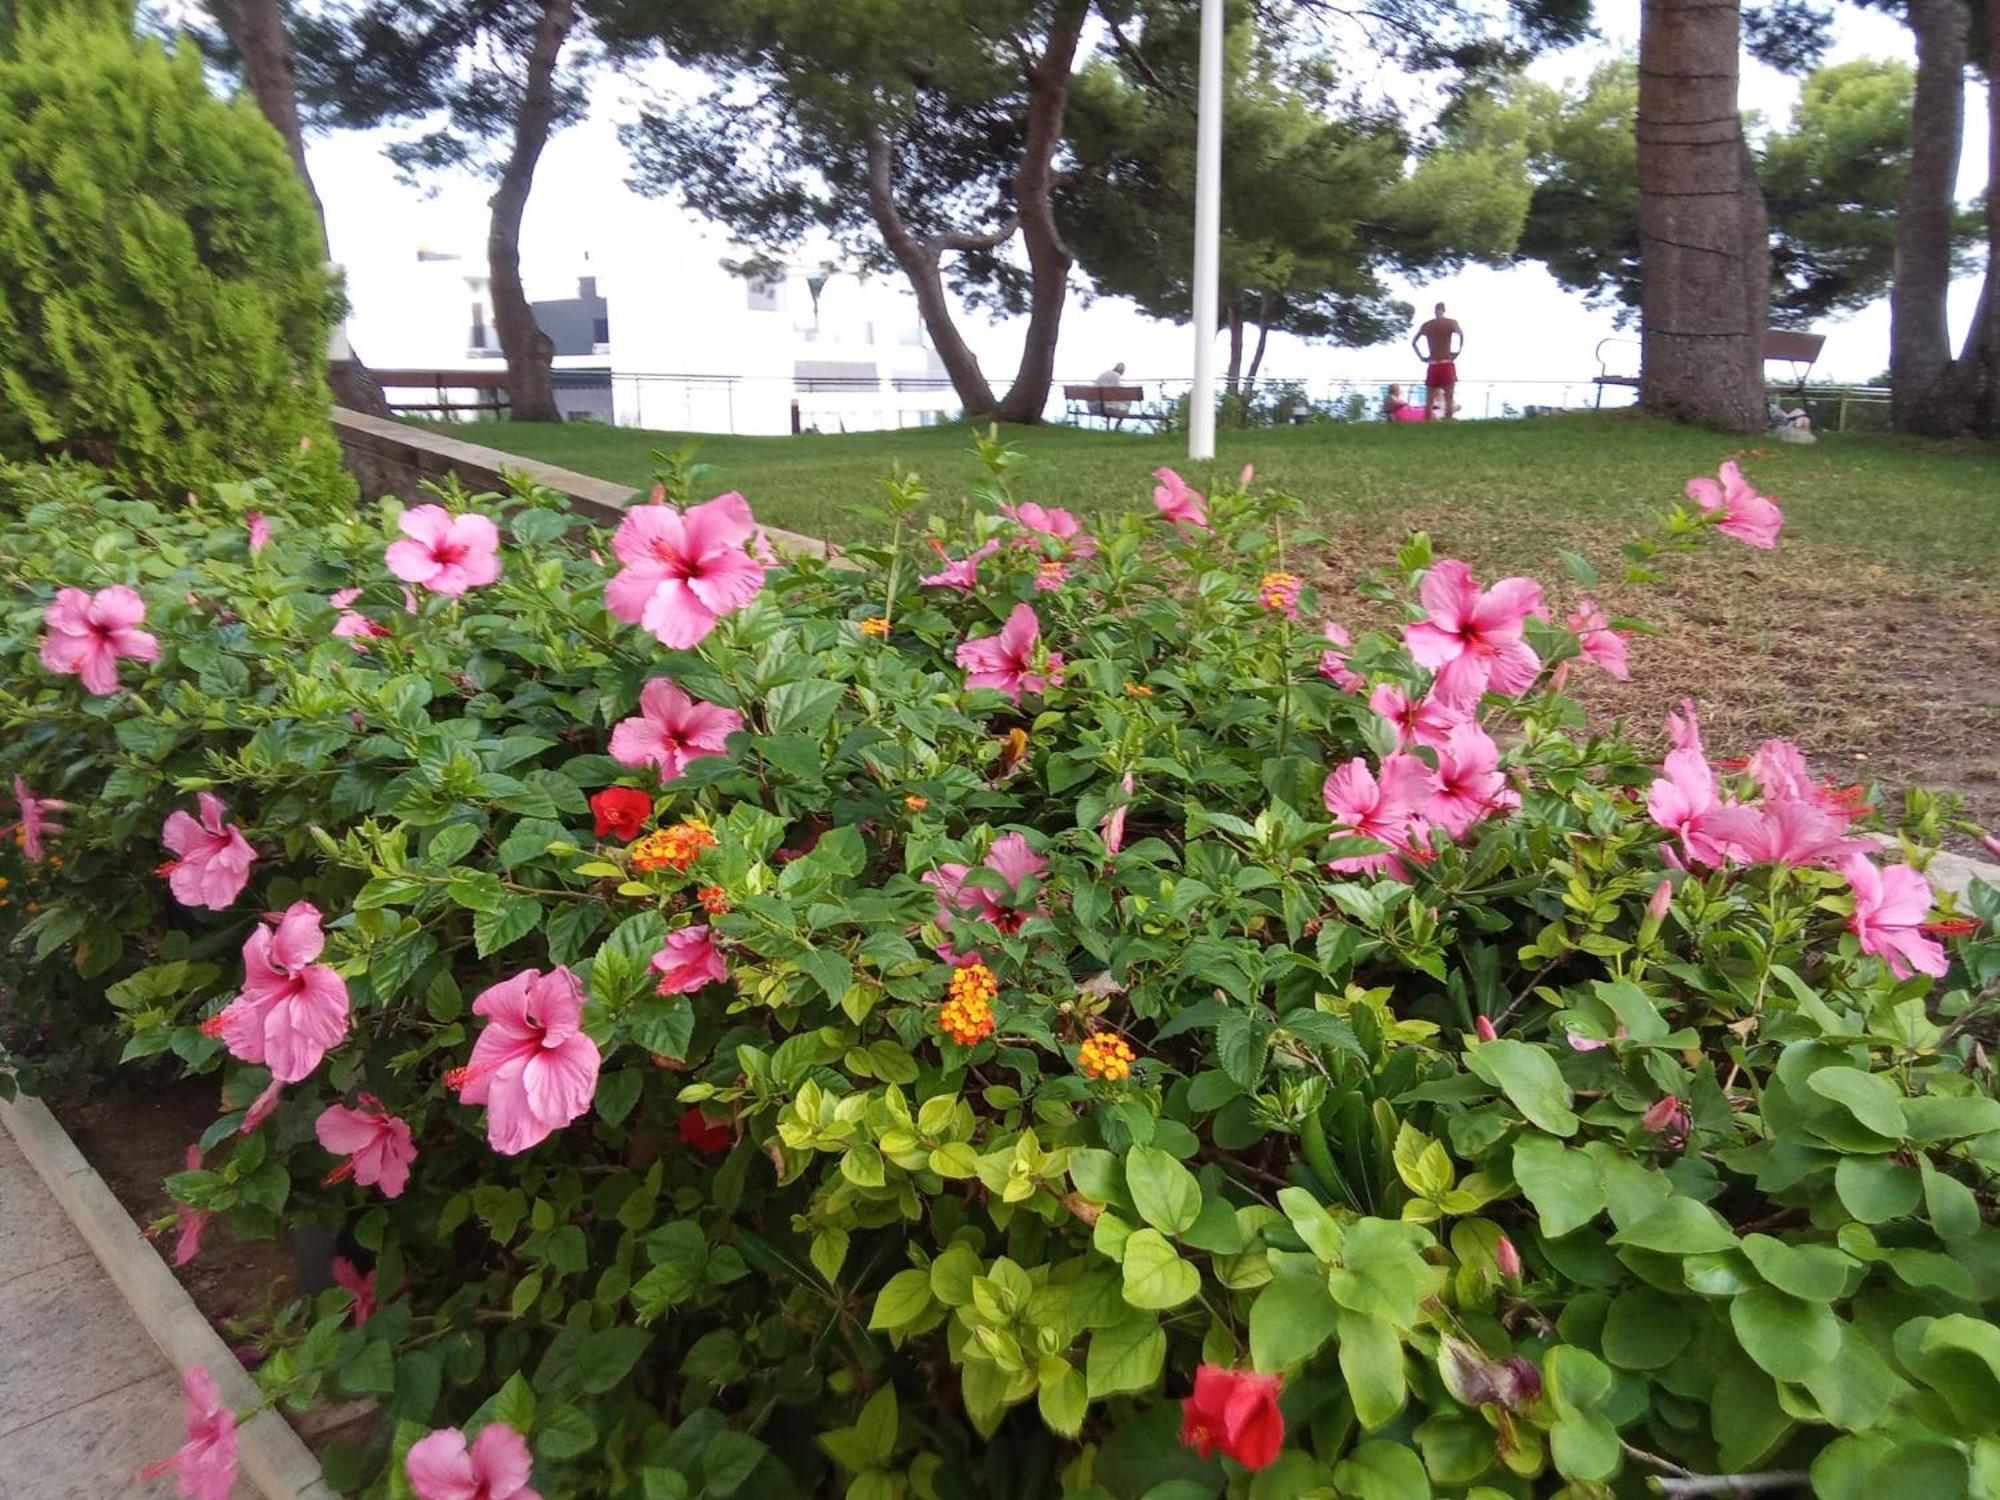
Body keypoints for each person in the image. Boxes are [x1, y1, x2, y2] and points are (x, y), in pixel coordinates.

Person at [1411, 302, 1463, 420]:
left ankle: (1427, 422)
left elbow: (1414, 342)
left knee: (1429, 400)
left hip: (1433, 364)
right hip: (1446, 363)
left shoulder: (1427, 325)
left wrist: (1422, 357)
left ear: (1435, 310)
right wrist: (1457, 352)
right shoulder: (1451, 323)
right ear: (1444, 310)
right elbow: (1461, 335)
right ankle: (1448, 422)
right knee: (1449, 398)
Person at [1094, 361, 1131, 427]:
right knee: (1126, 408)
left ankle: (1109, 427)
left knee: (1115, 404)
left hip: (1092, 407)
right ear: (1122, 371)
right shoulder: (1116, 376)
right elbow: (1117, 392)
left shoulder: (1104, 374)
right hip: (1103, 408)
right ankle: (1116, 428)